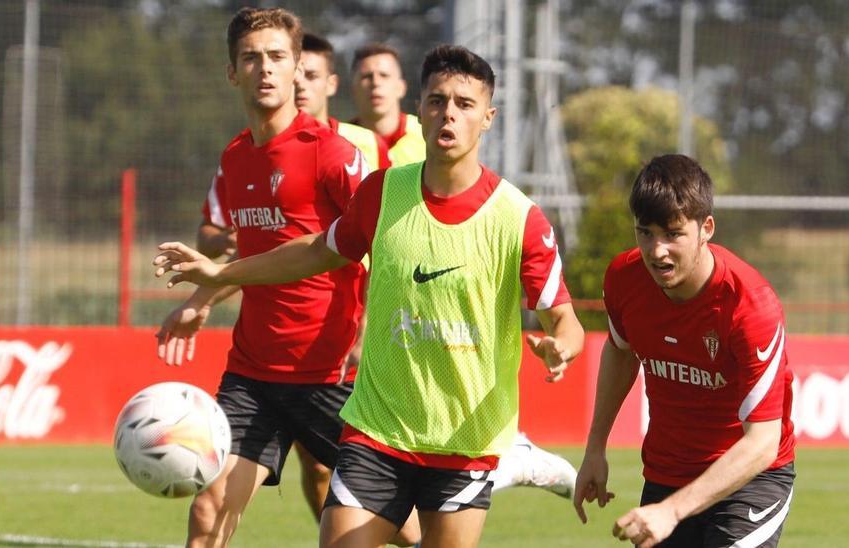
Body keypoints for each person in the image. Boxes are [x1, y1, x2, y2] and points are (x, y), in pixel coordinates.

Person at [154, 45, 586, 548]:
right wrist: (219, 272)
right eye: (437, 100)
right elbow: (314, 251)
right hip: (377, 430)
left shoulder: (519, 218)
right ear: (420, 109)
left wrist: (563, 346)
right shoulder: (384, 192)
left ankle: (516, 457)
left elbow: (565, 319)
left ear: (488, 117)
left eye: (465, 104)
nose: (449, 113)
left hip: (464, 440)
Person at [152, 8, 420, 547]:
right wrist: (203, 299)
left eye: (278, 57)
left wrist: (373, 337)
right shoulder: (235, 158)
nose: (265, 69)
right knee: (208, 508)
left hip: (333, 375)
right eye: (251, 58)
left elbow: (383, 249)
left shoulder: (333, 154)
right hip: (253, 374)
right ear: (232, 72)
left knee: (403, 527)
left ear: (298, 67)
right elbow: (261, 257)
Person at [572, 154, 797, 548]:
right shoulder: (624, 278)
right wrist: (595, 448)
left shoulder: (750, 305)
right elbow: (621, 352)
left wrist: (672, 512)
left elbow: (762, 443)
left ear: (705, 228)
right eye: (645, 233)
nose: (657, 251)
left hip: (749, 480)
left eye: (673, 234)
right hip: (666, 473)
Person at [295, 33, 388, 174]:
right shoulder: (261, 144)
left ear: (332, 84)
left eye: (311, 76)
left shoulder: (370, 143)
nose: (300, 84)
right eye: (294, 76)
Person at [350, 43, 425, 168]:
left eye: (384, 75)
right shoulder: (340, 141)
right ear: (353, 90)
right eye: (367, 77)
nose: (375, 82)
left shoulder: (426, 136)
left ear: (401, 88)